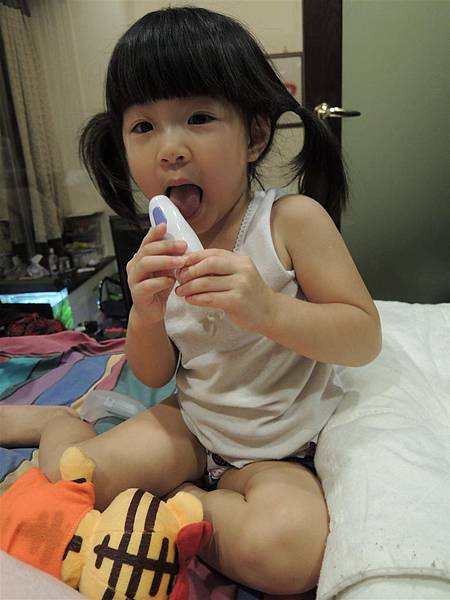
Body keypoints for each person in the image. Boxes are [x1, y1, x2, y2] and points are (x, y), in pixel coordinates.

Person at [1, 7, 381, 595]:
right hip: (193, 425)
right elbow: (154, 373)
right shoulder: (158, 248)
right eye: (143, 126)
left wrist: (269, 309)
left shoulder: (289, 222)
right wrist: (146, 314)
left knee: (290, 554)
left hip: (279, 448)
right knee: (64, 477)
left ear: (255, 136)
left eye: (198, 118)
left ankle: (174, 504)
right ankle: (57, 422)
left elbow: (362, 336)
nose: (169, 148)